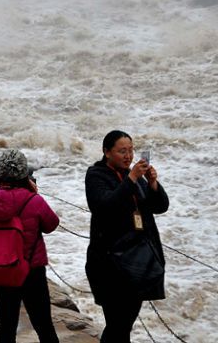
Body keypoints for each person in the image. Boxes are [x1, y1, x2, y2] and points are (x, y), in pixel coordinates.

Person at [85, 130, 169, 343]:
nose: (128, 156)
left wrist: (152, 184)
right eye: (122, 151)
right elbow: (104, 206)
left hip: (138, 262)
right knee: (118, 325)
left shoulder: (135, 177)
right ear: (106, 152)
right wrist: (131, 178)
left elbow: (160, 206)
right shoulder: (96, 175)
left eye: (131, 151)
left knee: (123, 325)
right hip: (109, 264)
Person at [0, 149, 61, 343]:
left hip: (1, 268)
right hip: (31, 269)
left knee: (7, 325)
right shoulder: (34, 200)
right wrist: (34, 194)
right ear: (25, 173)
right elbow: (51, 225)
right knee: (43, 325)